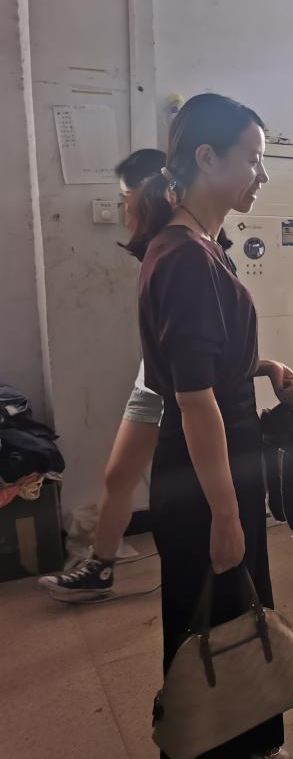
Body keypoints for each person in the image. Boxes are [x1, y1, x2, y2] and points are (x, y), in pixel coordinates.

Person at [135, 93, 293, 758]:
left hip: (216, 468)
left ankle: (247, 740)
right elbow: (194, 400)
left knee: (231, 609)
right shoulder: (186, 258)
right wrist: (227, 514)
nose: (262, 175)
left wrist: (261, 365)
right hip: (206, 479)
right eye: (253, 159)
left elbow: (202, 363)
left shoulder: (197, 247)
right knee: (209, 622)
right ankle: (212, 743)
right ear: (206, 158)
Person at [38, 149, 167, 598]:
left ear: (151, 194)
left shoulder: (183, 249)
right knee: (118, 475)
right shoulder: (155, 249)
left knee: (195, 480)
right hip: (153, 380)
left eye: (126, 197)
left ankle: (215, 563)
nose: (122, 208)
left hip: (184, 385)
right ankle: (101, 566)